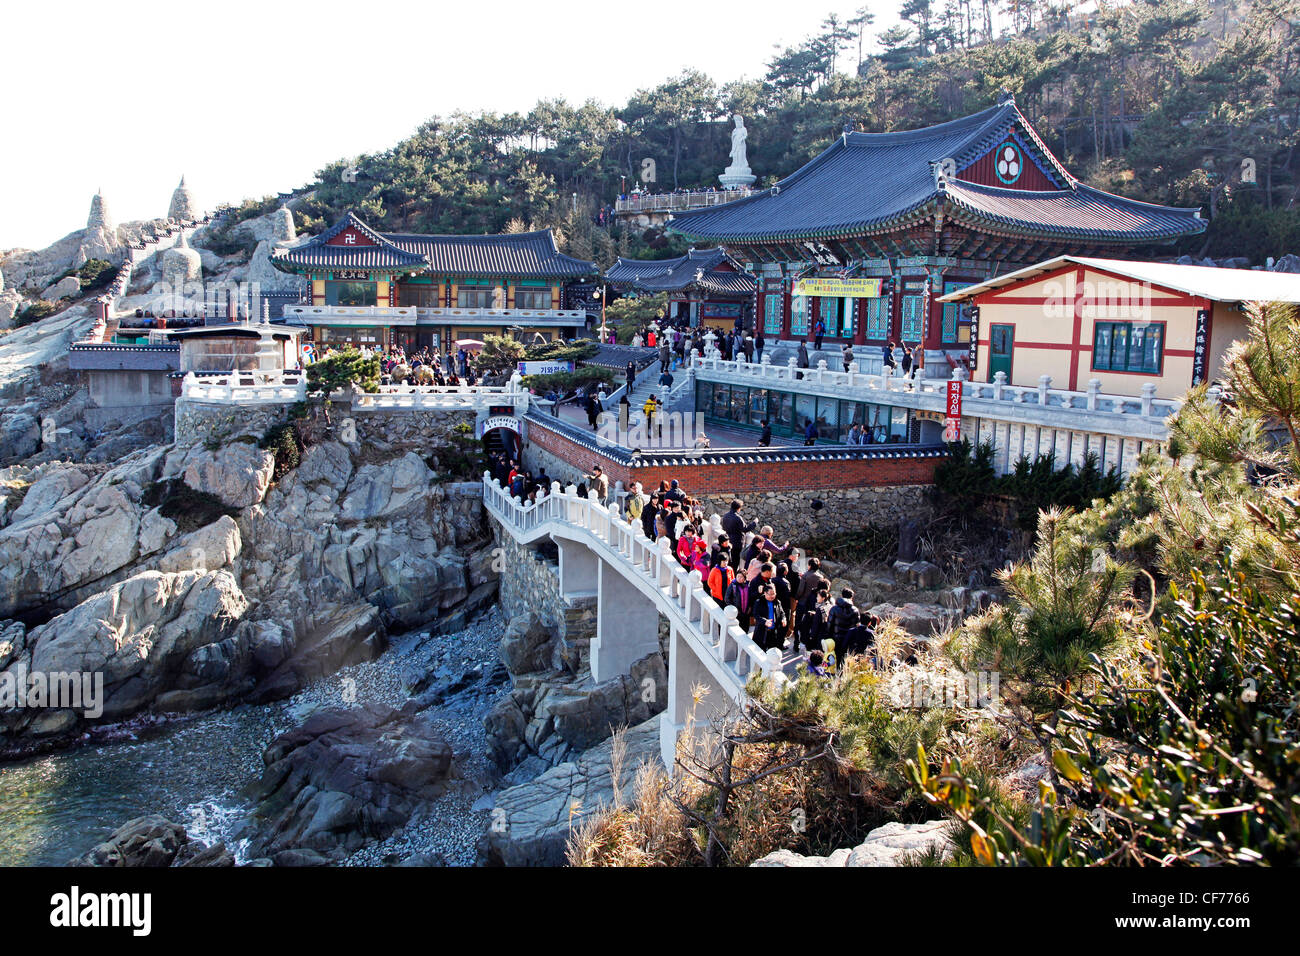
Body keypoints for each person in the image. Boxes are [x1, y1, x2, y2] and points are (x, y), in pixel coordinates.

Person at [721, 499, 757, 568]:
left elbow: (724, 527)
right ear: (739, 508)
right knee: (735, 561)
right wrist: (754, 523)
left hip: (727, 540)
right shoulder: (738, 518)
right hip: (737, 542)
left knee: (728, 560)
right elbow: (745, 529)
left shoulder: (725, 516)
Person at [751, 582, 787, 652]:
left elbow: (782, 613)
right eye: (770, 594)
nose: (772, 596)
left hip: (773, 633)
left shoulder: (777, 602)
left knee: (771, 653)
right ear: (765, 593)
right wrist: (765, 621)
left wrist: (783, 619)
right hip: (762, 633)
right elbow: (756, 615)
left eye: (774, 594)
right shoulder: (759, 602)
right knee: (760, 653)